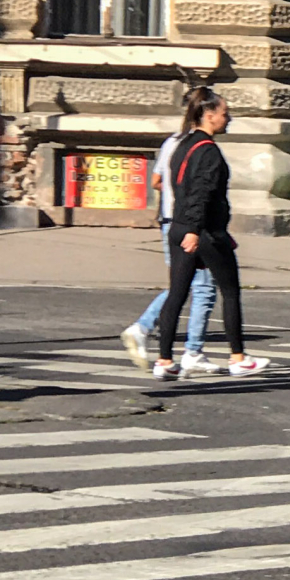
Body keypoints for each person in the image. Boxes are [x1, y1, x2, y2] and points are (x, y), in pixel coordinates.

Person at [151, 89, 270, 381]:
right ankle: (238, 358)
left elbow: (178, 190)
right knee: (230, 290)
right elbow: (201, 194)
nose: (228, 119)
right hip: (203, 231)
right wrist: (194, 230)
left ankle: (164, 360)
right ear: (209, 115)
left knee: (177, 294)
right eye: (224, 113)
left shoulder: (182, 144)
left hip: (177, 226)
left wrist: (185, 228)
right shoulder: (208, 151)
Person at [122, 105, 217, 372]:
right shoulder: (198, 147)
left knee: (183, 285)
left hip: (170, 222)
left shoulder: (173, 142)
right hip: (188, 224)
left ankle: (159, 338)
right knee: (202, 288)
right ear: (206, 114)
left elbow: (156, 180)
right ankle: (188, 350)